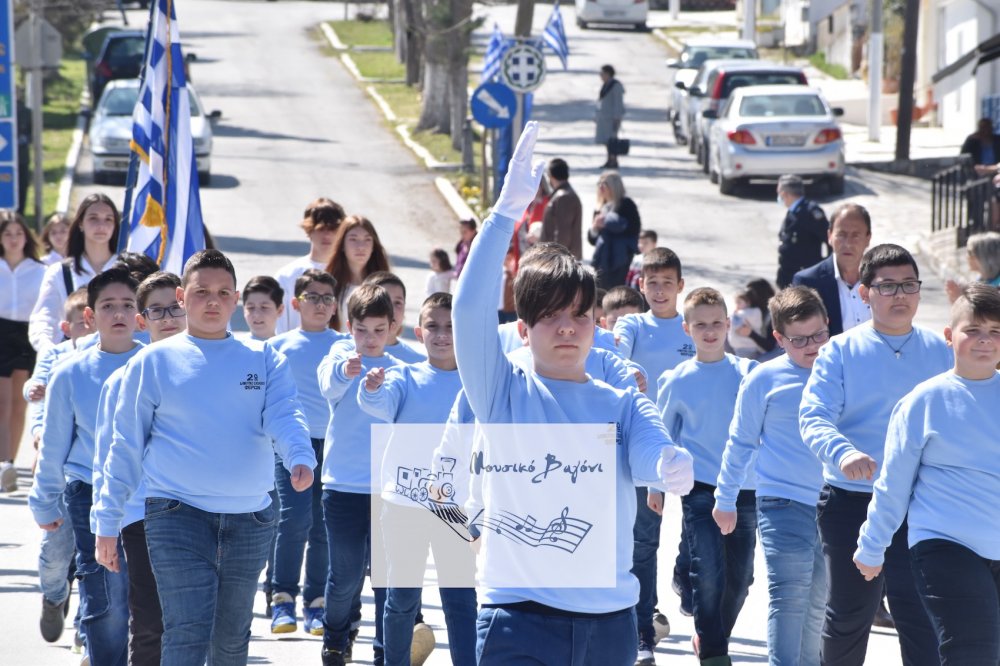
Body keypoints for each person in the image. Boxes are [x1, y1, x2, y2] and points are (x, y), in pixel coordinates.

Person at [452, 120, 693, 665]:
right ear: (522, 327)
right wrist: (504, 214)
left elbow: (651, 451)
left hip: (608, 627)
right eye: (550, 316)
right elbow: (467, 311)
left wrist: (667, 465)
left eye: (579, 315)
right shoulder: (502, 392)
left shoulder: (622, 401)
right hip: (517, 619)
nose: (567, 328)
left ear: (596, 325)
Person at [93, 249, 317, 665]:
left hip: (251, 519)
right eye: (201, 292)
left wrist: (298, 455)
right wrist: (107, 521)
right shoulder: (152, 361)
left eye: (222, 293)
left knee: (231, 641)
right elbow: (123, 446)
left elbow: (286, 413)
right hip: (176, 515)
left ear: (235, 300)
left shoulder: (265, 358)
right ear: (182, 296)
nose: (212, 301)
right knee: (186, 634)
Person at [800, 244, 951, 666]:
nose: (900, 295)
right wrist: (842, 452)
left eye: (908, 285)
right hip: (852, 501)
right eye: (887, 287)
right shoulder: (840, 351)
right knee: (851, 614)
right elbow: (813, 417)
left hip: (920, 506)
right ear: (865, 294)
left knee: (920, 616)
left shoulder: (941, 352)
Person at [854, 283, 1000, 666]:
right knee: (972, 652)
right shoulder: (923, 401)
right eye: (973, 330)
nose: (985, 341)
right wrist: (873, 544)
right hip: (944, 543)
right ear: (950, 337)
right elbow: (894, 482)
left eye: (995, 332)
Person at [29, 267, 145, 666]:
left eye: (127, 305)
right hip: (88, 492)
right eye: (108, 306)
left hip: (149, 497)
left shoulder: (155, 365)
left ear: (139, 315)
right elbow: (55, 447)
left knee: (146, 600)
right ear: (90, 317)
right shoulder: (69, 373)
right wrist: (44, 501)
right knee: (106, 595)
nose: (119, 313)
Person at [358, 292, 477, 666]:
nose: (442, 335)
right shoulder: (403, 377)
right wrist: (371, 387)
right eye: (433, 326)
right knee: (401, 598)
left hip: (453, 507)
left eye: (451, 327)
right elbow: (376, 403)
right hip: (402, 505)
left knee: (460, 600)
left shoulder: (476, 384)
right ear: (417, 331)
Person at [714, 286, 831, 666]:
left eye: (818, 335)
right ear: (778, 338)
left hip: (834, 504)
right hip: (781, 502)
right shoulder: (764, 379)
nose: (811, 346)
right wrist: (725, 497)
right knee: (789, 595)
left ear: (828, 324)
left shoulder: (841, 370)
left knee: (819, 601)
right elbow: (741, 441)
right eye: (798, 340)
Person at [658, 287, 759, 666]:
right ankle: (715, 652)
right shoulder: (678, 379)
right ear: (687, 329)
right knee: (710, 570)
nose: (710, 330)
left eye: (717, 322)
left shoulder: (749, 373)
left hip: (746, 486)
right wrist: (657, 487)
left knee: (742, 577)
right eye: (701, 324)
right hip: (700, 487)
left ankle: (712, 632)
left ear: (729, 324)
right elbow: (663, 438)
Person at [91, 271, 187, 666]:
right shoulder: (122, 381)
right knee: (150, 622)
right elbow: (107, 459)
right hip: (142, 517)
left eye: (175, 307)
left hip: (204, 513)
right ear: (142, 321)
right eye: (156, 310)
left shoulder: (213, 372)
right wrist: (106, 524)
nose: (168, 317)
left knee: (198, 623)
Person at [614, 246, 695, 654]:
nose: (659, 290)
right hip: (645, 451)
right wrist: (629, 370)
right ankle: (642, 630)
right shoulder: (632, 326)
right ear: (640, 285)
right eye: (652, 283)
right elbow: (617, 351)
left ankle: (686, 576)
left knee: (701, 535)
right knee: (643, 542)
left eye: (668, 283)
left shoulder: (691, 327)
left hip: (694, 447)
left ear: (680, 286)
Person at [318, 284, 402, 666]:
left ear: (392, 328)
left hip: (389, 489)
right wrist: (344, 370)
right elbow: (327, 384)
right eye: (361, 330)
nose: (369, 339)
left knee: (385, 578)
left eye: (379, 330)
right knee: (345, 576)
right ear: (348, 326)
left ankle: (385, 649)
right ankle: (336, 638)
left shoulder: (402, 368)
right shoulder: (339, 355)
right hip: (343, 484)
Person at [269, 270, 346, 636]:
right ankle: (281, 596)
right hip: (291, 446)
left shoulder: (345, 344)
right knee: (293, 520)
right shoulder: (279, 346)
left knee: (323, 528)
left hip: (333, 446)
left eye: (328, 298)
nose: (321, 304)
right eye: (312, 297)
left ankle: (316, 602)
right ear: (296, 303)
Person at [25, 288, 94, 644]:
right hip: (58, 466)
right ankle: (54, 597)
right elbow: (35, 391)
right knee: (57, 552)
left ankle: (89, 623)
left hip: (90, 470)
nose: (86, 324)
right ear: (67, 326)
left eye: (90, 315)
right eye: (79, 318)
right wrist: (38, 430)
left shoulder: (108, 358)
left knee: (94, 553)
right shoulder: (56, 355)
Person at [29, 193, 121, 352]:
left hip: (119, 361)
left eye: (108, 219)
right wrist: (48, 350)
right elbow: (43, 319)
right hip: (73, 360)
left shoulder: (126, 270)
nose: (101, 225)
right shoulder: (60, 272)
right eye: (93, 218)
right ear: (80, 223)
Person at [0, 213, 46, 492]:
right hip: (0, 332)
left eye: (19, 233)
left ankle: (10, 463)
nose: (14, 239)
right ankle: (3, 460)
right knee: (2, 402)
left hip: (26, 334)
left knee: (19, 404)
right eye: (7, 233)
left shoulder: (39, 269)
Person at [792, 203, 872, 336]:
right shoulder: (807, 283)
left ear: (868, 238)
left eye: (856, 235)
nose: (848, 243)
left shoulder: (881, 280)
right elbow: (799, 337)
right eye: (841, 235)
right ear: (829, 236)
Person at [274, 197, 346, 334]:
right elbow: (279, 329)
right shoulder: (286, 276)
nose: (327, 234)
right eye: (320, 228)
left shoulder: (352, 273)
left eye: (333, 228)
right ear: (309, 229)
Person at [326, 215, 392, 332]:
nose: (361, 247)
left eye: (367, 239)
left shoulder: (386, 285)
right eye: (353, 239)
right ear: (342, 245)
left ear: (373, 246)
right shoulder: (328, 285)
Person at [588, 170, 641, 289]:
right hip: (602, 259)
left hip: (621, 259)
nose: (601, 187)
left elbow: (634, 230)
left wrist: (609, 224)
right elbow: (592, 240)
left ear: (614, 186)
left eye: (605, 184)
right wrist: (595, 227)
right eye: (599, 184)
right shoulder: (599, 208)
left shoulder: (626, 205)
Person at [775, 175, 830, 288]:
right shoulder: (793, 211)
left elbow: (830, 239)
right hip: (788, 275)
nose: (779, 196)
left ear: (785, 193)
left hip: (805, 277)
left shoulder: (810, 212)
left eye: (779, 192)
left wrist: (825, 266)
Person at [365, 271, 428, 364]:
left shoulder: (418, 363)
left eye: (397, 303)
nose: (391, 310)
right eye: (383, 301)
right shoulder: (346, 353)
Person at [539, 158, 583, 260]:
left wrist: (556, 259)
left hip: (561, 261)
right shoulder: (564, 194)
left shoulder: (564, 197)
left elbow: (563, 233)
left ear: (551, 176)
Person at [944, 230, 1000, 302]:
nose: (967, 257)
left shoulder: (997, 287)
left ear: (985, 257)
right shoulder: (981, 279)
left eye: (970, 253)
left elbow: (983, 311)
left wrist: (960, 300)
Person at [728, 279, 777, 359]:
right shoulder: (747, 310)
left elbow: (770, 346)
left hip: (768, 352)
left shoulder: (771, 315)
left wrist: (751, 333)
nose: (747, 297)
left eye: (750, 295)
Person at [596, 64, 626, 169]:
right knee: (607, 141)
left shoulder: (615, 85)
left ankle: (613, 160)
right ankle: (610, 159)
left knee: (612, 140)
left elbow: (618, 103)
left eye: (602, 73)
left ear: (608, 74)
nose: (601, 76)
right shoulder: (606, 85)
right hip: (605, 118)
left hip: (612, 118)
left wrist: (617, 117)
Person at [242, 275, 285, 340]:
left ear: (279, 310)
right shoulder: (232, 347)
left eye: (264, 307)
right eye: (251, 307)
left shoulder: (286, 348)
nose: (256, 314)